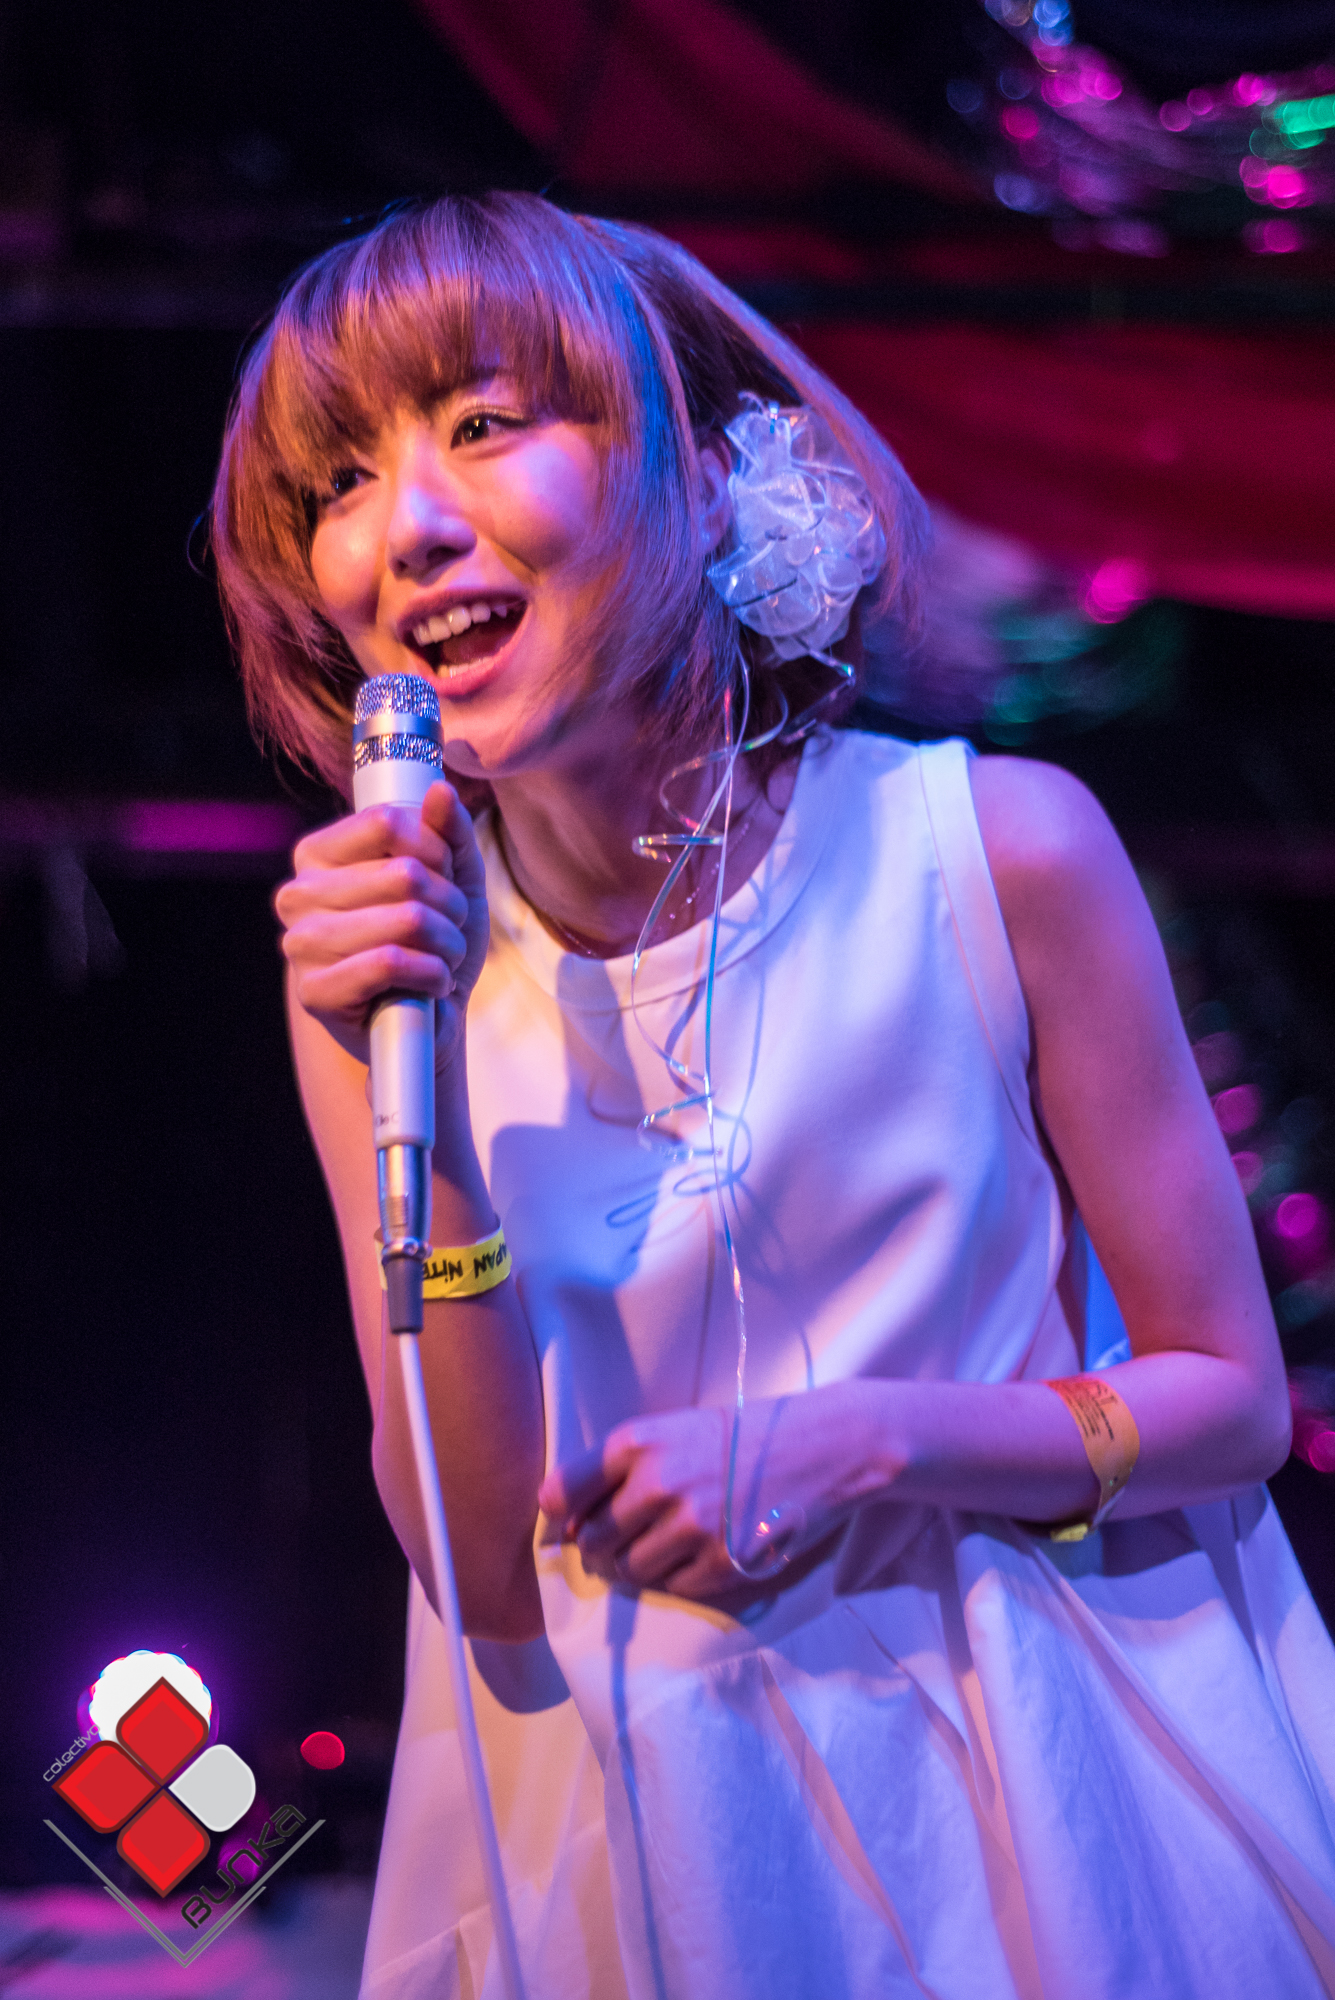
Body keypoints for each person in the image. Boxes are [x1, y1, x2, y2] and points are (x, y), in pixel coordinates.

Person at [211, 193, 1335, 2000]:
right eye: (338, 480)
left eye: (482, 424)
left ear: (704, 474)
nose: (404, 527)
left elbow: (1231, 1399)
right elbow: (479, 1569)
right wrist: (413, 1099)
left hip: (1042, 1787)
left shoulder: (993, 850)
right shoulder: (385, 974)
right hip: (648, 1832)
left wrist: (863, 1439)